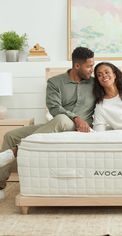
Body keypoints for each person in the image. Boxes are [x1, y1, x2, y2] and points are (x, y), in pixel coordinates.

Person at [0, 46, 95, 199]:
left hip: (78, 128)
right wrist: (76, 118)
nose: (92, 69)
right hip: (59, 123)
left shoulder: (95, 84)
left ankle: (17, 150)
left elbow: (116, 94)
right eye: (89, 66)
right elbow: (54, 108)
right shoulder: (55, 82)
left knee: (62, 119)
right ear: (77, 65)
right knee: (10, 135)